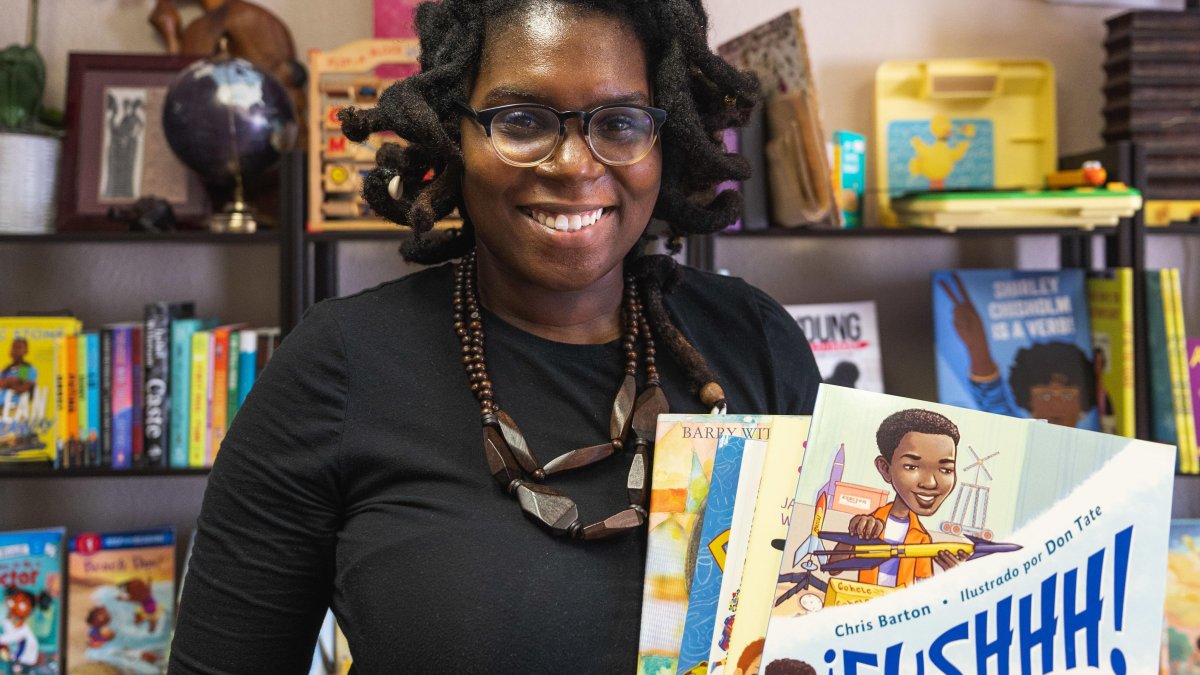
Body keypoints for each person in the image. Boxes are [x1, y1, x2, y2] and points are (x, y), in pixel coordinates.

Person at [168, 1, 821, 672]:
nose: (574, 165)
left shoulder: (754, 342)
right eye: (522, 121)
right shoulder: (337, 368)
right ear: (454, 133)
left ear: (666, 136)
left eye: (621, 122)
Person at [834, 408, 967, 588]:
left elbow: (923, 586)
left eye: (945, 470)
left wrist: (960, 578)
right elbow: (833, 567)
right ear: (885, 468)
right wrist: (854, 537)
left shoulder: (922, 539)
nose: (930, 483)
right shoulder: (870, 525)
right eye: (912, 467)